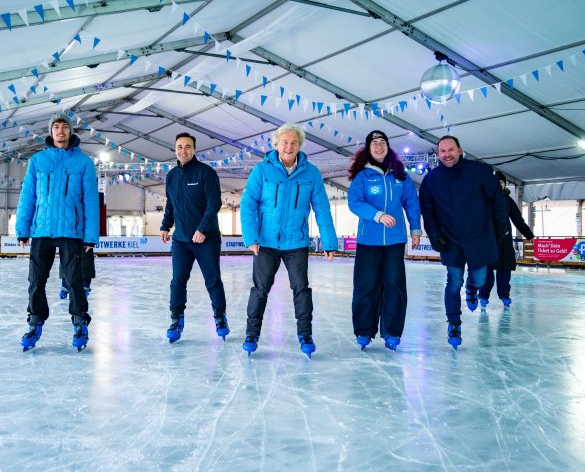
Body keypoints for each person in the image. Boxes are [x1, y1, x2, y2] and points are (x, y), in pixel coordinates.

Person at [240, 123, 338, 358]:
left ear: (299, 145)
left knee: (301, 289)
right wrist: (251, 237)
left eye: (294, 142)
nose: (289, 146)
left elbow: (322, 209)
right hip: (265, 243)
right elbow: (247, 204)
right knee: (260, 289)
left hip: (297, 243)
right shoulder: (262, 171)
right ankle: (251, 334)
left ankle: (305, 334)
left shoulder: (311, 173)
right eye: (285, 142)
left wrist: (329, 242)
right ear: (276, 144)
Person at [16, 112, 99, 352]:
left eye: (64, 127)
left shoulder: (83, 163)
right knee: (36, 281)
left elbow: (90, 201)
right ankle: (35, 321)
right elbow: (28, 196)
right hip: (41, 230)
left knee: (75, 281)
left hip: (71, 232)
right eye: (56, 127)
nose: (60, 131)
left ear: (70, 131)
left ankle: (80, 322)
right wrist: (23, 228)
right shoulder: (37, 161)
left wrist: (90, 236)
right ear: (51, 132)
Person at [418, 135, 507, 350]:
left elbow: (497, 200)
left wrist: (500, 227)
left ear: (460, 150)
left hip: (479, 237)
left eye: (451, 150)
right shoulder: (431, 179)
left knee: (480, 277)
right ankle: (454, 324)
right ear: (438, 154)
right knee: (453, 282)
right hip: (451, 240)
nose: (447, 154)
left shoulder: (480, 172)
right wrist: (434, 234)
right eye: (442, 151)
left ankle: (473, 288)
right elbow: (428, 212)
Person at [347, 130, 422, 352]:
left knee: (394, 286)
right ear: (368, 149)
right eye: (374, 143)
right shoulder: (362, 176)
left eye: (382, 143)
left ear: (388, 147)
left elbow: (411, 203)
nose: (379, 146)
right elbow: (354, 203)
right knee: (366, 285)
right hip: (368, 240)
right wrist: (377, 215)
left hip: (395, 240)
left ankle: (391, 331)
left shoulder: (401, 175)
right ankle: (364, 330)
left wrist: (415, 229)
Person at [160, 132, 228, 343]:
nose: (183, 150)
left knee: (212, 280)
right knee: (178, 280)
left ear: (194, 149)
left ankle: (220, 317)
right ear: (175, 149)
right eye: (179, 147)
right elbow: (171, 204)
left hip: (206, 239)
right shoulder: (171, 176)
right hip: (181, 240)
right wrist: (165, 225)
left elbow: (214, 204)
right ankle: (176, 319)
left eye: (187, 147)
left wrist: (202, 229)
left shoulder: (206, 173)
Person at [478, 171, 535, 308]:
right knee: (487, 272)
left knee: (505, 271)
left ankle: (504, 295)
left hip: (504, 242)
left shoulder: (508, 201)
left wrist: (529, 235)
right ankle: (484, 296)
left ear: (504, 184)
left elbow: (518, 220)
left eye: (501, 183)